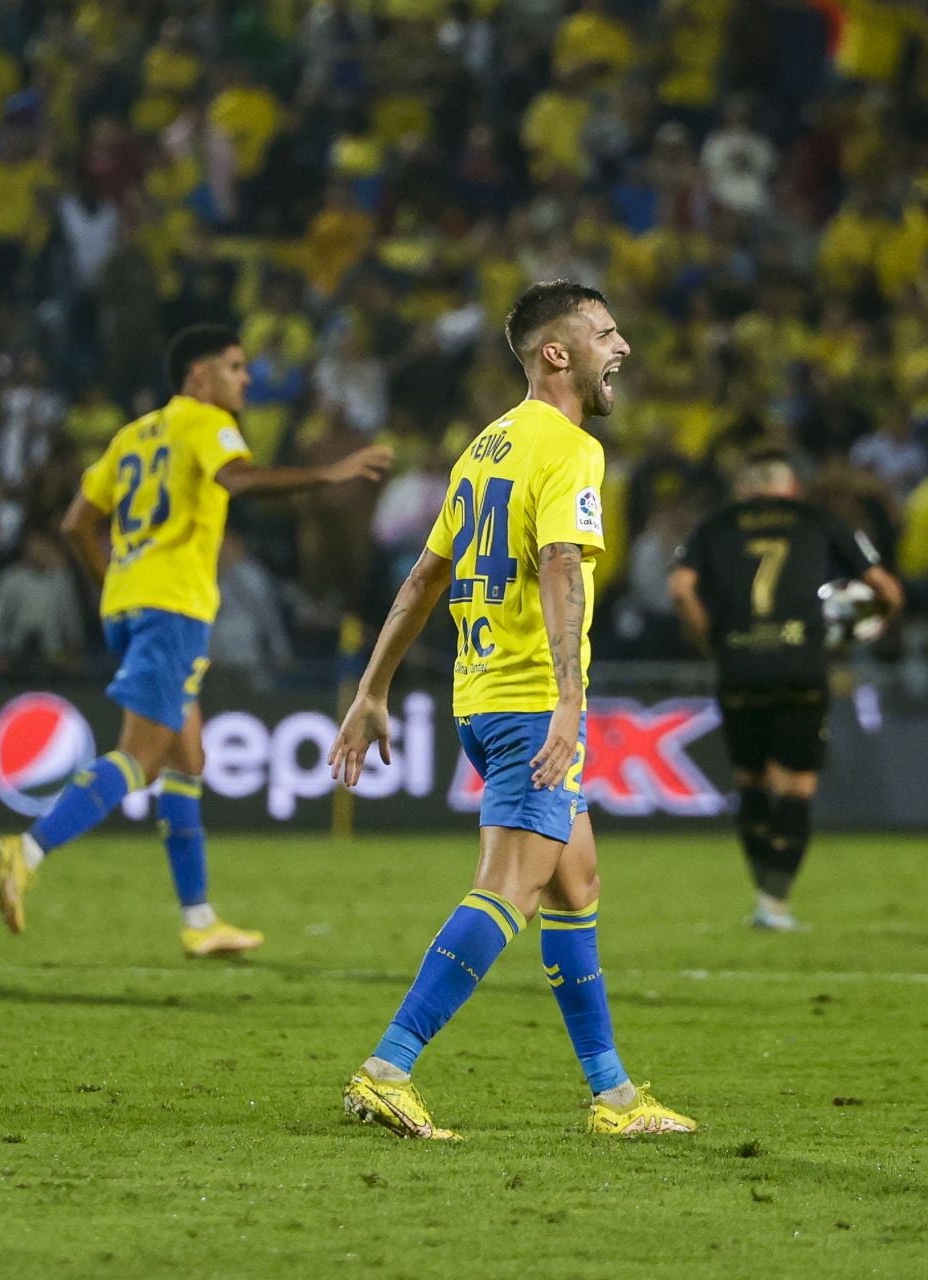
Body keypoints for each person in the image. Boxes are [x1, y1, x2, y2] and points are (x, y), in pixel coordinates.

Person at [329, 280, 695, 1140]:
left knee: (577, 883)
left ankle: (613, 1098)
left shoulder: (485, 448)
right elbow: (561, 564)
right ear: (556, 353)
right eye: (606, 333)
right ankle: (388, 1066)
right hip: (532, 703)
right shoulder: (568, 447)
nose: (624, 348)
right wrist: (571, 702)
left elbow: (425, 578)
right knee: (508, 890)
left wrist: (371, 688)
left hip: (481, 696)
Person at [0, 325, 391, 957]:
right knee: (140, 758)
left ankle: (199, 919)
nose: (246, 379)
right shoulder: (206, 422)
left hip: (132, 604)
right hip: (173, 606)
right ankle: (28, 849)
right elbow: (239, 480)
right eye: (235, 367)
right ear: (199, 377)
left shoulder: (130, 436)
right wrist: (329, 472)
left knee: (188, 761)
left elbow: (76, 523)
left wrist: (114, 582)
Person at [668, 450, 902, 931]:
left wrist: (712, 643)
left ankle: (763, 893)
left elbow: (680, 589)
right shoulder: (819, 520)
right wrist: (860, 631)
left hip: (738, 667)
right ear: (790, 487)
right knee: (796, 786)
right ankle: (775, 902)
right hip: (800, 667)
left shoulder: (714, 525)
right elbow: (888, 591)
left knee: (751, 781)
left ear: (743, 488)